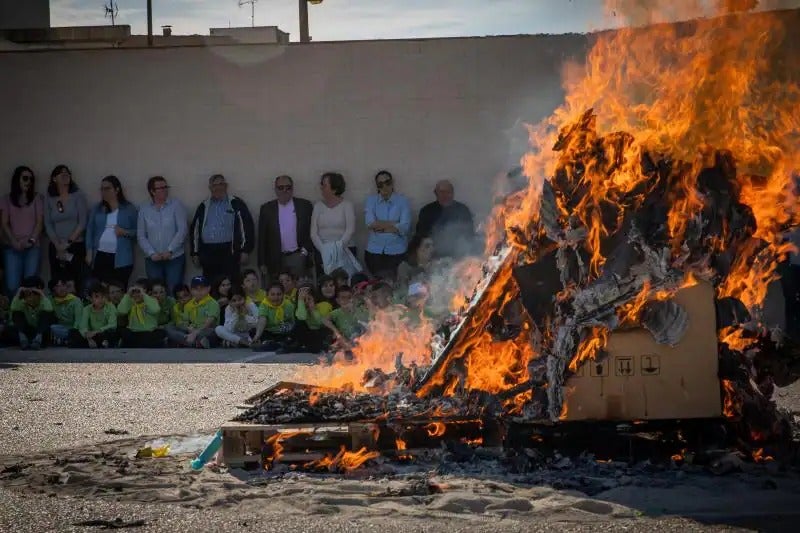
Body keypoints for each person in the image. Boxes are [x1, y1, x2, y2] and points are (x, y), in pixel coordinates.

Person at [190, 174, 254, 282]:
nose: (218, 187)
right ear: (210, 188)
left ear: (226, 186)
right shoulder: (204, 206)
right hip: (208, 252)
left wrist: (245, 250)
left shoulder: (235, 203)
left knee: (231, 282)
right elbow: (195, 230)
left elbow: (247, 227)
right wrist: (195, 253)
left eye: (221, 184)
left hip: (230, 251)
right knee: (210, 283)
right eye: (215, 185)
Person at [257, 175, 314, 281]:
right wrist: (262, 262)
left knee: (299, 290)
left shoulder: (304, 205)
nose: (285, 190)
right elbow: (262, 237)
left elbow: (313, 230)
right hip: (275, 258)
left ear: (292, 189)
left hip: (297, 256)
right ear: (275, 189)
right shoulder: (267, 208)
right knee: (277, 291)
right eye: (281, 187)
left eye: (288, 187)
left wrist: (304, 251)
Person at [85, 176, 138, 288]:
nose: (103, 192)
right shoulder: (97, 208)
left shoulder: (128, 208)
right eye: (102, 189)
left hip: (121, 258)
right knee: (100, 289)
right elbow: (90, 230)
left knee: (117, 290)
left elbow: (138, 232)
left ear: (117, 189)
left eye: (107, 188)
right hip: (100, 255)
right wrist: (89, 251)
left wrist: (125, 232)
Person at [137, 176, 188, 293]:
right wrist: (151, 253)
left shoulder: (176, 205)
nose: (165, 190)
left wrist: (170, 250)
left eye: (166, 187)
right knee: (156, 291)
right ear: (152, 191)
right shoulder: (144, 209)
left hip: (174, 257)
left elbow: (182, 230)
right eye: (160, 188)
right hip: (153, 259)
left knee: (173, 290)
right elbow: (141, 235)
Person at [44, 165, 88, 292]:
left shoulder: (77, 195)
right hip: (56, 246)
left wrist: (67, 243)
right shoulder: (49, 196)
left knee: (75, 282)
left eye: (67, 173)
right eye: (61, 174)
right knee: (58, 283)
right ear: (54, 179)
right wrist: (58, 245)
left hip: (75, 245)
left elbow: (82, 222)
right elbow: (47, 223)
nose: (65, 175)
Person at [1, 166, 44, 295]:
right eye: (25, 178)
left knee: (30, 284)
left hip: (32, 247)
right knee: (12, 285)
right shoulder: (6, 199)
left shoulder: (37, 198)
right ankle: (14, 313)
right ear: (17, 180)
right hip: (12, 247)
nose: (28, 182)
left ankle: (28, 314)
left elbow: (39, 222)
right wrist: (14, 242)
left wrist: (31, 241)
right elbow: (4, 223)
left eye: (31, 179)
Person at [364, 170, 411, 280]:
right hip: (374, 251)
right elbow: (370, 223)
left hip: (397, 251)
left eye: (387, 182)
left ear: (392, 183)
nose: (384, 186)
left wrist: (380, 225)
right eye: (380, 184)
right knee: (379, 283)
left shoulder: (402, 201)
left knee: (395, 283)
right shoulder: (371, 201)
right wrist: (395, 224)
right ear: (377, 186)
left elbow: (404, 227)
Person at [310, 172, 360, 275]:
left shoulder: (347, 205)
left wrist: (337, 248)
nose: (321, 188)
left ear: (334, 188)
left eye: (324, 185)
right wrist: (324, 250)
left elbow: (350, 230)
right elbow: (313, 233)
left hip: (344, 250)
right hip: (322, 251)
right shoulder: (318, 206)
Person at [415, 180, 475, 259]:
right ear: (436, 193)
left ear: (453, 193)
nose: (445, 195)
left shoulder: (463, 210)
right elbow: (421, 234)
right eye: (442, 192)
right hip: (433, 254)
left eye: (448, 192)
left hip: (458, 254)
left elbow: (469, 233)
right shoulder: (426, 211)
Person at [165, 275, 220, 348]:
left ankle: (187, 341)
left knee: (212, 332)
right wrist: (189, 329)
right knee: (170, 328)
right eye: (196, 289)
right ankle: (194, 342)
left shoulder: (213, 303)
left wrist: (195, 333)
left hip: (206, 330)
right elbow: (185, 322)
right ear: (191, 290)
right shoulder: (189, 304)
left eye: (202, 288)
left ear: (208, 289)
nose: (199, 291)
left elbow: (208, 323)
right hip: (192, 330)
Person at [6, 276, 53, 350]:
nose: (30, 297)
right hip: (25, 331)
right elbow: (13, 309)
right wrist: (18, 293)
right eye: (28, 293)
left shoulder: (43, 301)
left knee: (46, 315)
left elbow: (49, 310)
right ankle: (23, 340)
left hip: (39, 332)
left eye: (33, 293)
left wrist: (41, 293)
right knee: (16, 315)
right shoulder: (21, 302)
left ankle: (37, 341)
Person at [117, 278, 165, 348]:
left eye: (139, 291)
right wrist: (128, 295)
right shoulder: (130, 302)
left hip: (149, 333)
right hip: (133, 333)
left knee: (159, 334)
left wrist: (143, 295)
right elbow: (121, 311)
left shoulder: (152, 301)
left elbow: (155, 310)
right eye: (135, 291)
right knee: (124, 332)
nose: (136, 293)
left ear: (148, 292)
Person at [69, 282, 118, 349]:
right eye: (97, 296)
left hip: (102, 333)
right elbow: (83, 326)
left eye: (103, 296)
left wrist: (97, 331)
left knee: (112, 332)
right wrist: (88, 337)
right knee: (73, 332)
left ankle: (101, 343)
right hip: (90, 335)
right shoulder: (87, 309)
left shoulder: (110, 307)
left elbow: (113, 325)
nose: (100, 300)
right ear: (90, 298)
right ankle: (99, 344)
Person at [252, 282, 295, 351]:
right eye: (272, 294)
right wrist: (257, 336)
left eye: (279, 294)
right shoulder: (264, 305)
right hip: (270, 332)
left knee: (293, 335)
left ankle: (276, 344)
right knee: (254, 331)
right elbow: (262, 320)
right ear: (267, 295)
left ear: (283, 295)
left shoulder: (288, 305)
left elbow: (294, 321)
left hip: (284, 332)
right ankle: (274, 344)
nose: (276, 297)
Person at [321, 285, 363, 350]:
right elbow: (324, 320)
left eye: (349, 297)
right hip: (346, 343)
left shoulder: (360, 310)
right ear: (338, 300)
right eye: (343, 298)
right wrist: (336, 331)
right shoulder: (337, 312)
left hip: (362, 342)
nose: (346, 300)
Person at [294, 284, 334, 353]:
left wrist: (313, 310)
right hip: (309, 334)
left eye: (309, 299)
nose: (306, 302)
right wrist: (301, 301)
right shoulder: (300, 308)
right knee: (299, 325)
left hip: (320, 332)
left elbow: (320, 323)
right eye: (304, 299)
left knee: (327, 330)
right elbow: (302, 317)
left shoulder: (324, 305)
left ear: (314, 298)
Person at [49, 277, 82, 346]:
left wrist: (74, 332)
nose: (62, 288)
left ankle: (68, 339)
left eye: (63, 285)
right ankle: (66, 339)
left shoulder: (75, 300)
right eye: (58, 286)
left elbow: (78, 320)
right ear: (53, 289)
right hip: (61, 328)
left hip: (74, 328)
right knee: (52, 327)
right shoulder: (51, 300)